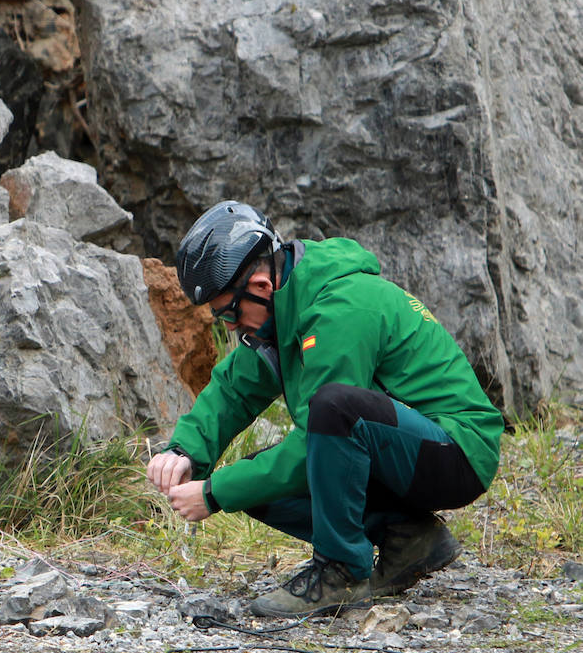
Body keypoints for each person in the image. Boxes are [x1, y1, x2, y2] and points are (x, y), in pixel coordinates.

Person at [146, 200, 504, 618]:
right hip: (402, 447)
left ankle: (341, 573)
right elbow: (233, 390)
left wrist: (214, 492)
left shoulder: (339, 308)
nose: (228, 326)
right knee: (259, 481)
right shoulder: (283, 306)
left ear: (261, 286)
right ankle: (407, 537)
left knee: (332, 409)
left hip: (456, 452)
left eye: (229, 312)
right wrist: (185, 451)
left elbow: (333, 425)